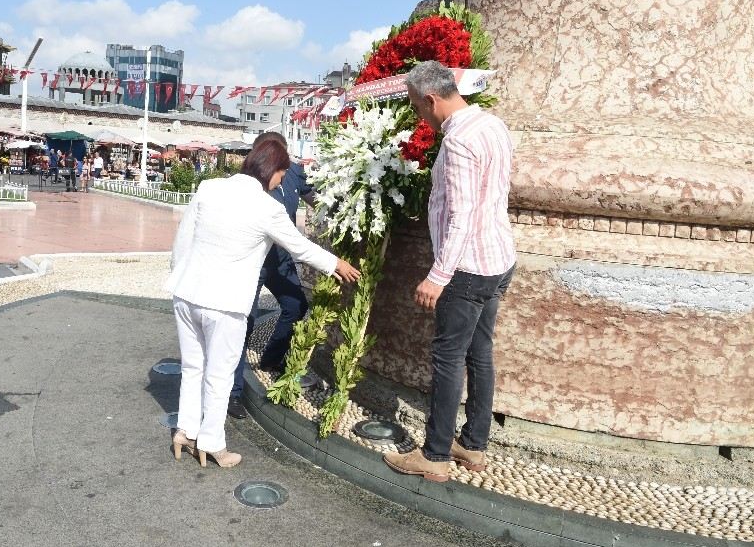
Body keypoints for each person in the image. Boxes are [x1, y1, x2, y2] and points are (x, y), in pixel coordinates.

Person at [167, 140, 360, 468]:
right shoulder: (266, 206)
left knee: (192, 368)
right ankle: (212, 443)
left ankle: (185, 430)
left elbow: (182, 240)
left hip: (187, 295)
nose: (283, 181)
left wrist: (179, 280)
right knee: (219, 375)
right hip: (224, 304)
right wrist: (337, 264)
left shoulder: (209, 187)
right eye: (282, 173)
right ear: (272, 169)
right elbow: (300, 247)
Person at [383, 61, 516, 482]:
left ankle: (436, 455)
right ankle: (473, 445)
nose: (419, 115)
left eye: (417, 107)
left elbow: (461, 217)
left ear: (431, 99)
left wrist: (438, 276)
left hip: (468, 267)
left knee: (447, 358)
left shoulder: (458, 142)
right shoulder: (493, 126)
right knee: (480, 354)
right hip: (498, 259)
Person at [228, 131, 313, 420]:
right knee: (245, 321)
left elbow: (313, 196)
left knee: (296, 305)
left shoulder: (293, 174)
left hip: (279, 258)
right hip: (252, 259)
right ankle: (234, 392)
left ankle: (272, 358)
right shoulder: (247, 183)